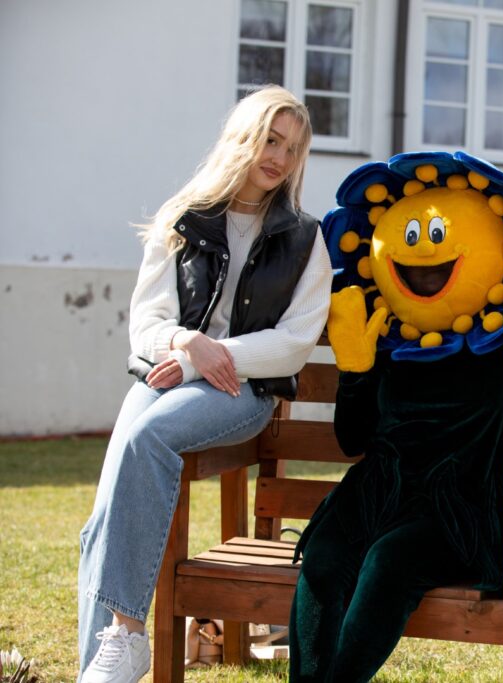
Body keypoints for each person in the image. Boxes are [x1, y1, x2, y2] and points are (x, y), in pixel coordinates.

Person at [78, 85, 331, 683]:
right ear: (243, 137)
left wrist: (205, 357)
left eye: (293, 148)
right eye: (271, 140)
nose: (280, 158)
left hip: (241, 392)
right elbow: (146, 325)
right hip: (162, 377)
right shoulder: (183, 217)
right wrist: (183, 342)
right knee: (103, 517)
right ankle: (98, 669)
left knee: (147, 439)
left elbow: (294, 342)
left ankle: (127, 634)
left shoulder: (304, 236)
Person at [287, 152, 503, 682]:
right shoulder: (386, 332)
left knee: (389, 561)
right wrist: (355, 370)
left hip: (457, 507)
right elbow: (353, 441)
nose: (422, 249)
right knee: (324, 559)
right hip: (377, 492)